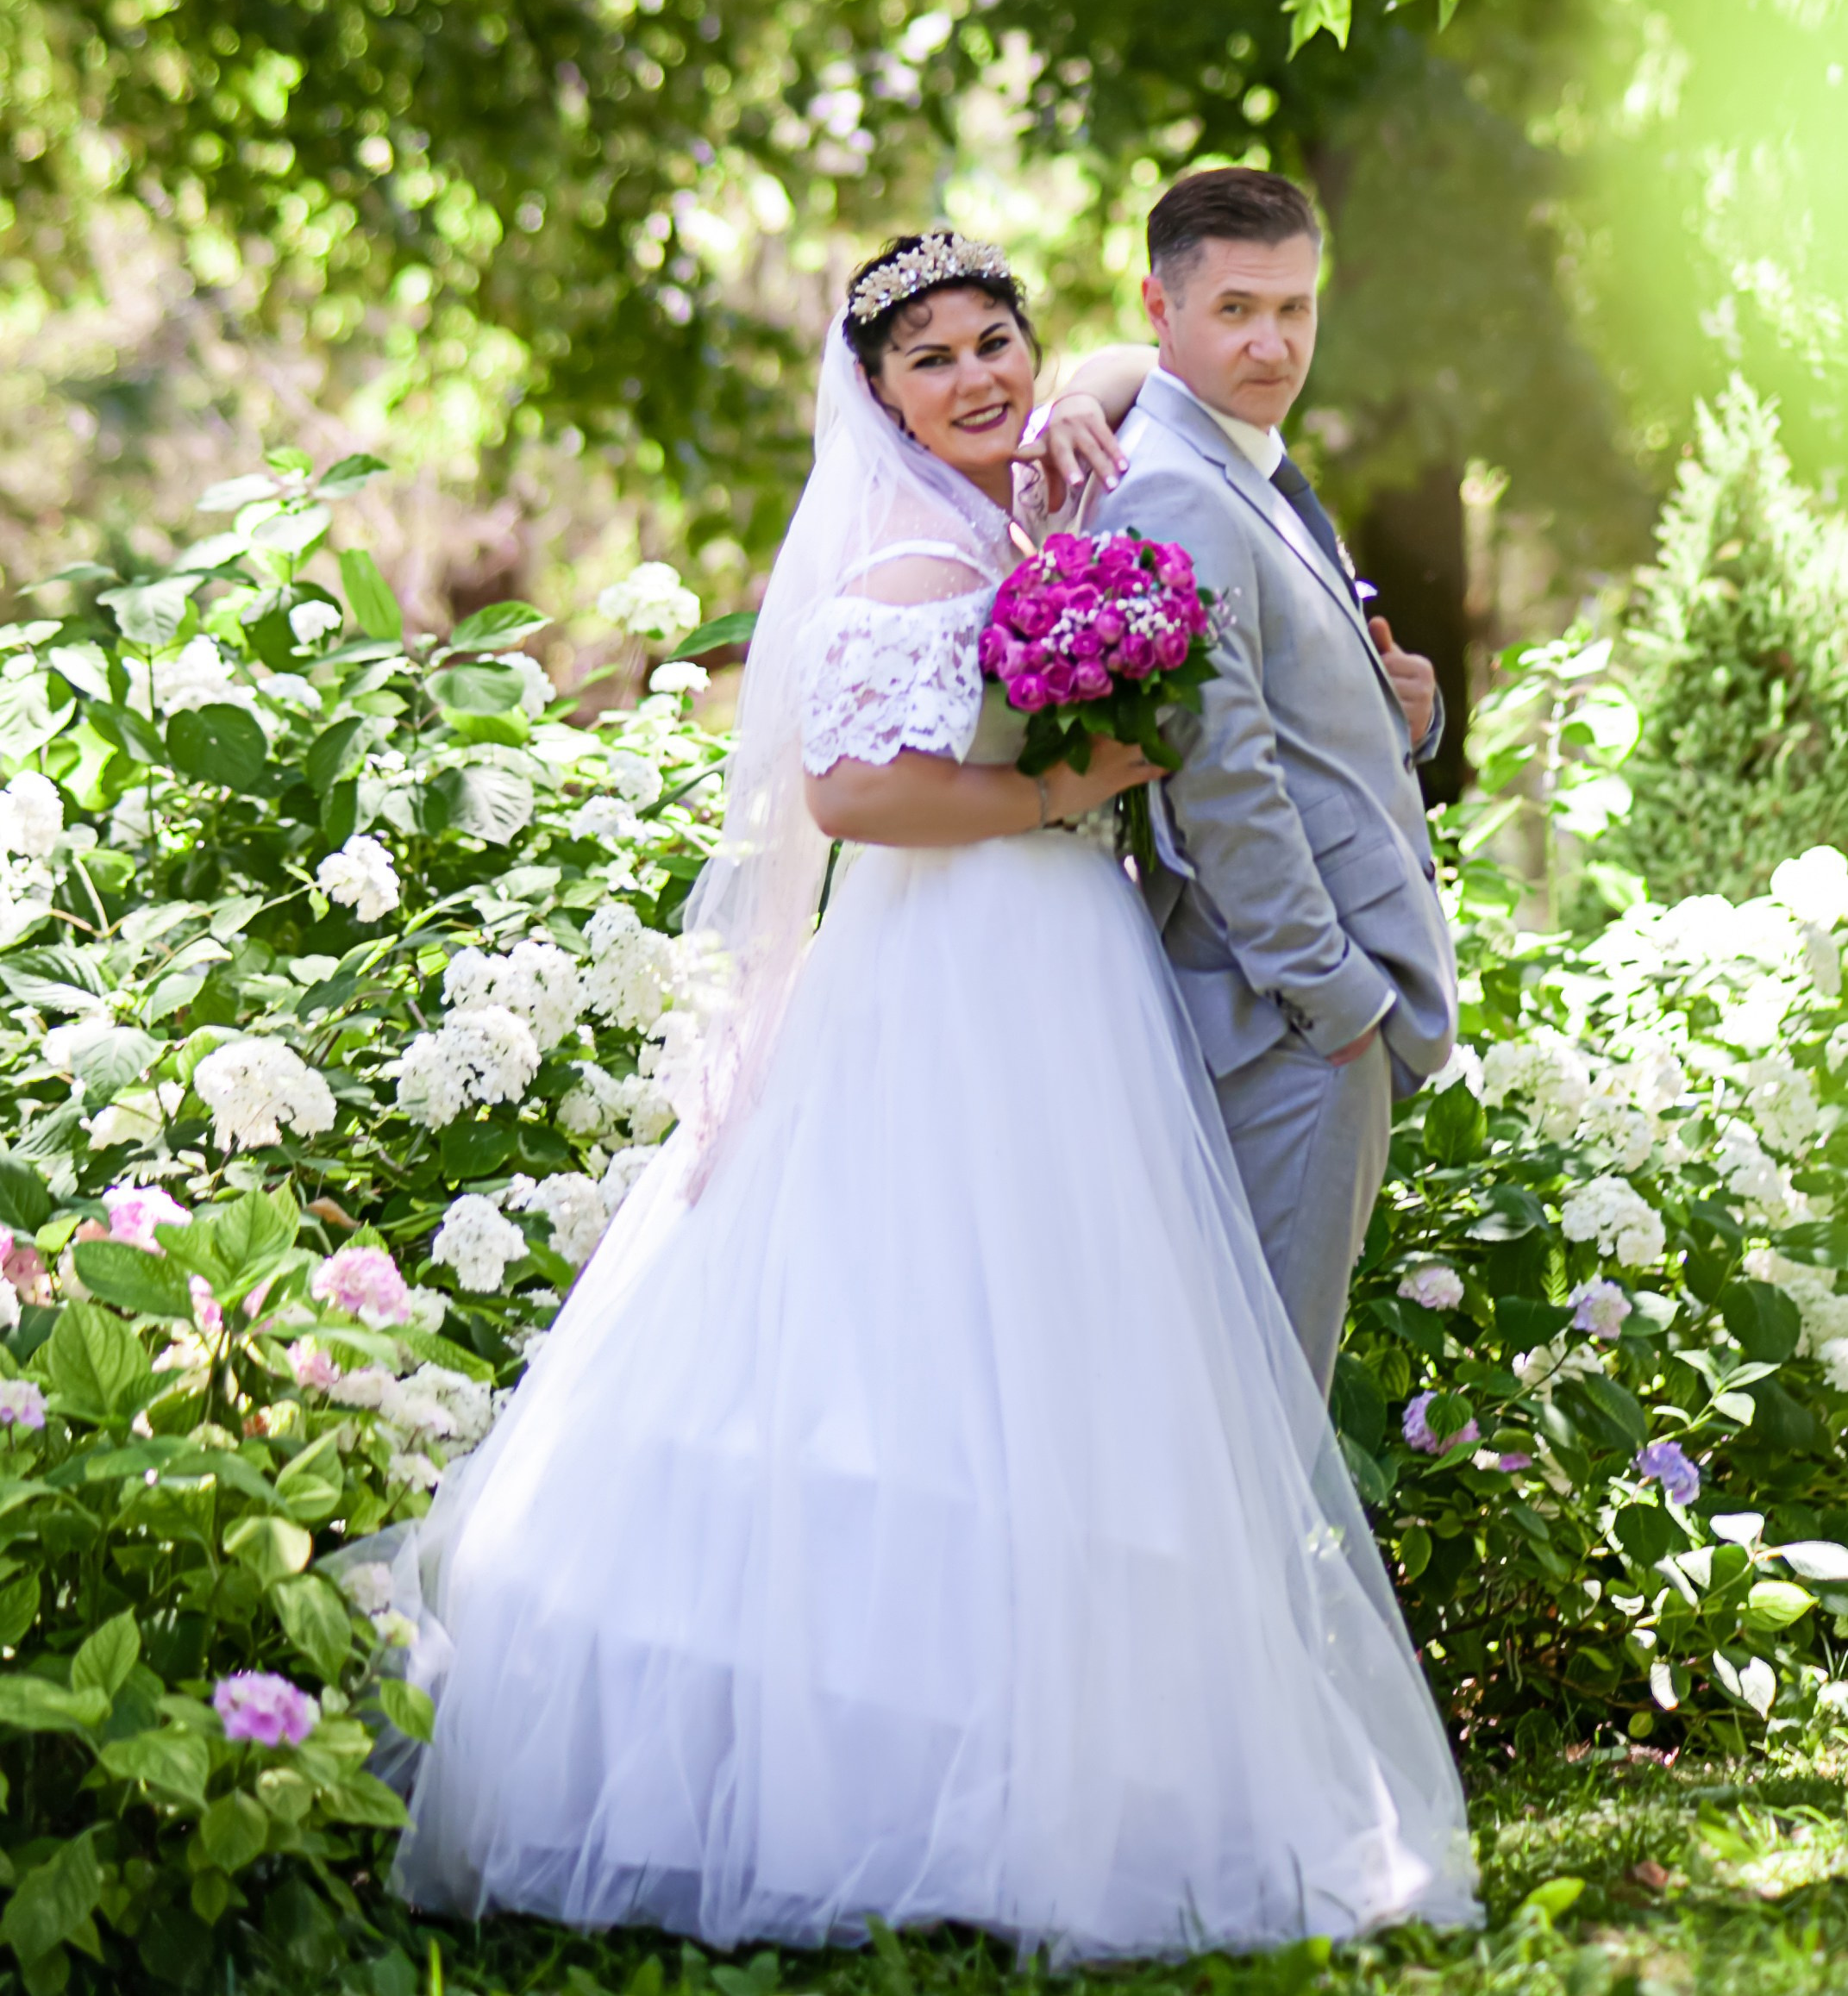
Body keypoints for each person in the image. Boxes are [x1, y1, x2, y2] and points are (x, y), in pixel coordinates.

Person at [373, 228, 1477, 1958]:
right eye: (931, 360)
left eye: (995, 343)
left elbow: (1135, 372)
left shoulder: (1024, 510)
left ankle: (1066, 1753)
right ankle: (876, 1776)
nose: (976, 378)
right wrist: (1062, 791)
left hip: (1071, 961)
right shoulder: (899, 551)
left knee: (1064, 1352)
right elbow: (851, 790)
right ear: (879, 396)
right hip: (949, 964)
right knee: (913, 1341)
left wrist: (1090, 392)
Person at [1044, 169, 1457, 1398]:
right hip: (1289, 1031)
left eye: (1294, 308)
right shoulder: (1177, 485)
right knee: (1263, 1422)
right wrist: (1339, 1004)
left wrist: (1402, 707)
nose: (1273, 344)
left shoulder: (1242, 463)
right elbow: (1223, 779)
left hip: (1300, 1025)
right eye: (1235, 310)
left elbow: (1297, 713)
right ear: (1159, 310)